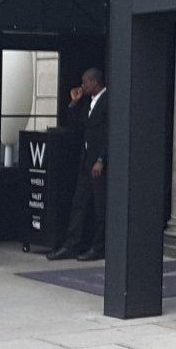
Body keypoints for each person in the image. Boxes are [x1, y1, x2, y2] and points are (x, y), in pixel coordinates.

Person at [50, 68, 108, 263]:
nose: (82, 86)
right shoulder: (88, 103)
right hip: (85, 160)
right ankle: (71, 244)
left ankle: (98, 247)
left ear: (94, 82)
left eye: (85, 83)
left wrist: (101, 159)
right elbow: (76, 126)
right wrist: (74, 103)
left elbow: (109, 133)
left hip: (98, 162)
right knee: (79, 203)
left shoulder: (107, 101)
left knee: (100, 207)